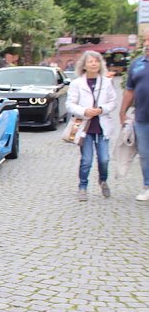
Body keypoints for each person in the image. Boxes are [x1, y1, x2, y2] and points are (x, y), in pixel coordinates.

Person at [66, 51, 117, 201]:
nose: (94, 64)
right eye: (90, 61)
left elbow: (113, 102)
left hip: (102, 126)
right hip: (85, 127)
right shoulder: (77, 84)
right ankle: (82, 186)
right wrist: (84, 111)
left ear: (100, 64)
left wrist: (102, 109)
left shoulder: (106, 83)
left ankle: (103, 180)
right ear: (84, 65)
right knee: (86, 159)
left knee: (104, 159)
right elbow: (70, 104)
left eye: (96, 61)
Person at [120, 35, 149, 200]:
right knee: (145, 154)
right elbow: (130, 90)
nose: (147, 44)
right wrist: (122, 111)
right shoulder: (137, 64)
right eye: (145, 41)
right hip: (142, 117)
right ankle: (147, 186)